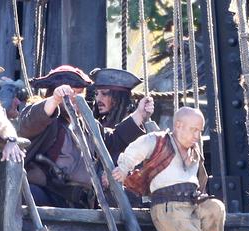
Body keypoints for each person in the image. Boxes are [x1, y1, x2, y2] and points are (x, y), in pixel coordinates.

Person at [112, 106, 225, 231]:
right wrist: (123, 168)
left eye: (199, 130)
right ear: (179, 126)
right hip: (167, 206)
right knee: (185, 230)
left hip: (190, 203)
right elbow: (134, 151)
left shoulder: (194, 151)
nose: (197, 135)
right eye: (193, 130)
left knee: (216, 208)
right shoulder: (157, 141)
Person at [18, 65, 153, 208]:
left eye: (79, 93)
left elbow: (113, 140)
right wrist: (55, 99)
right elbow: (29, 123)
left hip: (82, 201)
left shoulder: (87, 124)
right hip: (50, 195)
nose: (76, 99)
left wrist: (140, 114)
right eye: (72, 93)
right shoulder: (46, 120)